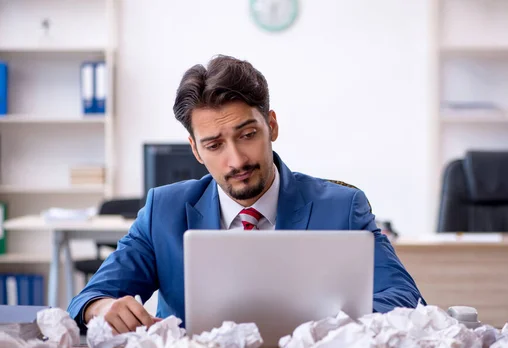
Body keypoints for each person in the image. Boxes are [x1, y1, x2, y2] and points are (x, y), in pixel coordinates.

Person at [67, 55, 425, 333]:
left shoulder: (342, 207)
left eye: (248, 134)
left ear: (271, 125)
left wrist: (327, 327)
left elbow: (404, 298)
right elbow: (89, 298)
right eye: (214, 145)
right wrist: (101, 308)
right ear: (195, 150)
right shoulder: (164, 210)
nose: (235, 159)